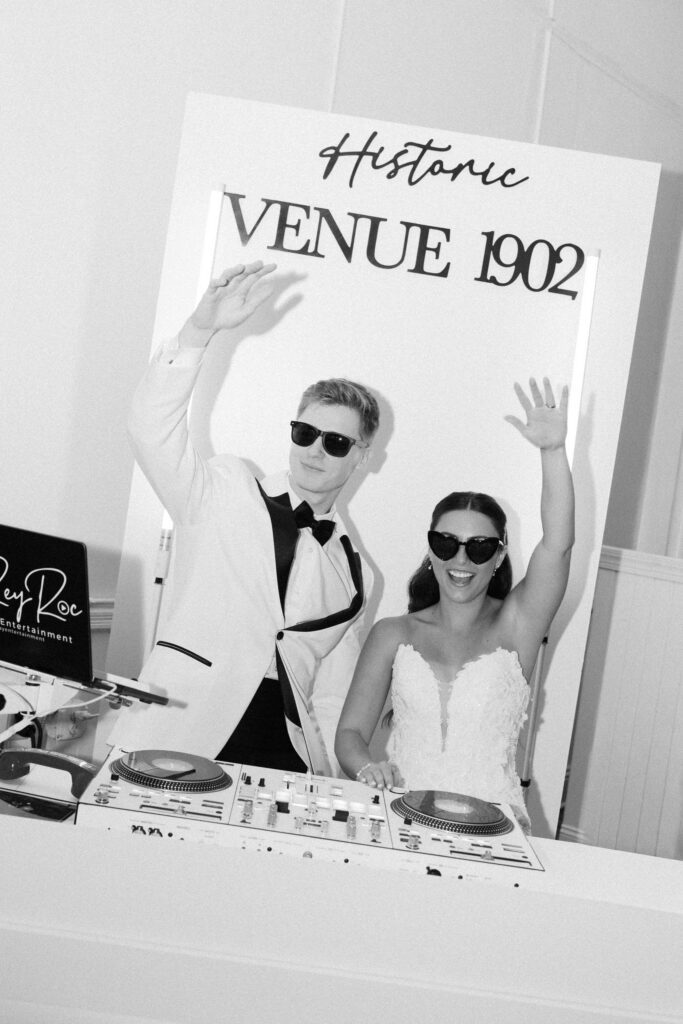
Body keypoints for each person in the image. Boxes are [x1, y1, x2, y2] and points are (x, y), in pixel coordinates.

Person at [109, 261, 380, 776]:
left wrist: (330, 781)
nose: (315, 451)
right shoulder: (226, 487)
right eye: (306, 432)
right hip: (184, 726)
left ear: (362, 455)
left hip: (284, 753)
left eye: (337, 442)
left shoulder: (357, 572)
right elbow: (149, 429)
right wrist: (200, 330)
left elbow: (331, 690)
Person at [335, 378, 574, 829]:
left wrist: (553, 452)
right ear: (430, 549)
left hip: (495, 827)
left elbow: (558, 546)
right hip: (400, 817)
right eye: (446, 543)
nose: (461, 559)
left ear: (500, 554)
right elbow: (349, 734)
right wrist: (368, 768)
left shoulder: (517, 623)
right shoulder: (393, 633)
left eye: (479, 547)